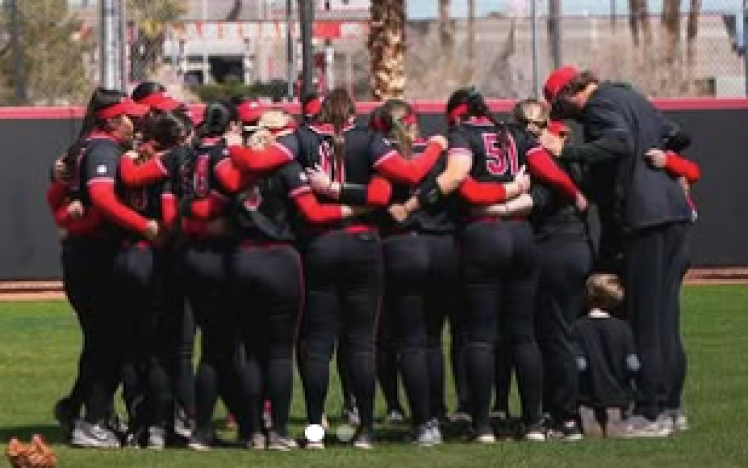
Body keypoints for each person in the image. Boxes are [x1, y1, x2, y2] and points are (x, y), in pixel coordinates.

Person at [392, 87, 584, 443]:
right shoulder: (513, 134)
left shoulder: (462, 135)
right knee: (523, 335)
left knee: (480, 336)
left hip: (482, 235)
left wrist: (414, 205)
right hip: (522, 236)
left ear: (457, 115)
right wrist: (573, 194)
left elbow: (459, 184)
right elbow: (550, 173)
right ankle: (533, 423)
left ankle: (481, 425)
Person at [541, 66, 693, 437]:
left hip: (643, 218)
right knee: (665, 319)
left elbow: (619, 143)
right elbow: (679, 135)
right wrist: (663, 158)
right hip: (674, 213)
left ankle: (651, 413)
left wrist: (568, 151)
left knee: (645, 319)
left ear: (570, 93)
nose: (570, 117)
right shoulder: (632, 96)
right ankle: (672, 408)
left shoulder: (600, 104)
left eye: (563, 107)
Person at [61, 88, 158, 449]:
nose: (135, 122)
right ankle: (91, 421)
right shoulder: (102, 147)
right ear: (113, 120)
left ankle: (81, 413)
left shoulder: (86, 144)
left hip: (86, 253)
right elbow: (101, 199)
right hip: (94, 256)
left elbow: (61, 186)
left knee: (104, 341)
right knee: (109, 343)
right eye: (130, 116)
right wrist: (143, 225)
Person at [513, 99, 593, 441]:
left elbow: (540, 200)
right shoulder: (568, 147)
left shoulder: (539, 156)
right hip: (579, 247)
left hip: (553, 250)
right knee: (565, 332)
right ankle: (569, 409)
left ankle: (564, 416)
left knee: (553, 336)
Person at [572, 273, 639, 438]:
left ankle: (592, 422)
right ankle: (615, 420)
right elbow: (633, 365)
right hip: (618, 392)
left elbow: (580, 364)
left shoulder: (578, 327)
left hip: (589, 393)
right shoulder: (623, 328)